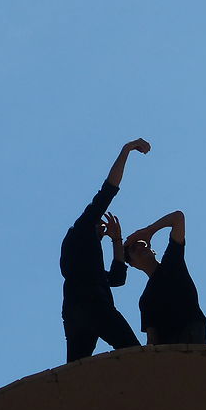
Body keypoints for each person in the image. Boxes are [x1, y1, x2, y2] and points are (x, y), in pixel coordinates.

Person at [60, 139, 150, 362]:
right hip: (92, 305)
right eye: (99, 222)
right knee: (134, 354)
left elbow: (117, 279)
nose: (103, 225)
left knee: (76, 369)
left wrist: (116, 240)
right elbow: (108, 190)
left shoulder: (88, 262)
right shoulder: (81, 230)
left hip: (77, 311)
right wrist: (127, 149)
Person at [125, 210, 206, 345]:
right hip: (168, 349)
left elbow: (178, 218)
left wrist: (148, 231)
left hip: (193, 335)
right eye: (134, 249)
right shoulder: (146, 299)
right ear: (132, 264)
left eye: (143, 244)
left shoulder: (172, 262)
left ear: (152, 250)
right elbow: (152, 339)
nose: (141, 248)